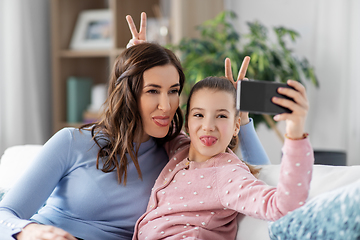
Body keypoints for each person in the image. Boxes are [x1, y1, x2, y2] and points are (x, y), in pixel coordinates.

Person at [0, 16, 270, 240]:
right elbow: (6, 213)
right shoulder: (72, 141)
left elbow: (262, 174)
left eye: (173, 91)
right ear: (129, 93)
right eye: (153, 90)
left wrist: (240, 118)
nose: (166, 105)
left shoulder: (178, 153)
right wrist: (30, 231)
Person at [132, 76, 314, 240]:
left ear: (236, 126)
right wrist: (138, 63)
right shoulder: (180, 147)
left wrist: (295, 132)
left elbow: (283, 207)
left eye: (221, 115)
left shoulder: (228, 175)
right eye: (198, 115)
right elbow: (151, 115)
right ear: (187, 122)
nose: (208, 126)